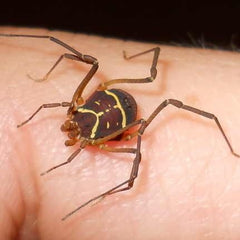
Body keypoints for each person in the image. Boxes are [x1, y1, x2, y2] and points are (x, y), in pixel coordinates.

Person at [0, 27, 239, 239]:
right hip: (110, 100)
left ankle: (231, 149)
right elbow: (64, 54)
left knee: (158, 105)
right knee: (85, 60)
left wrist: (140, 131)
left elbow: (133, 165)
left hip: (123, 109)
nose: (69, 130)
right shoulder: (75, 111)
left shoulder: (91, 138)